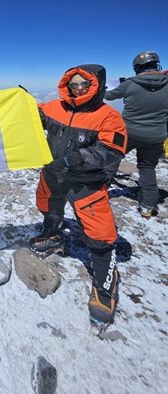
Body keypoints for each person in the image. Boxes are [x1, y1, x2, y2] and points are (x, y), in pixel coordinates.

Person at [29, 64, 128, 325]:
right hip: (53, 173)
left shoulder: (108, 116)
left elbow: (112, 149)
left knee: (99, 233)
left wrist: (75, 159)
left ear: (96, 86)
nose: (78, 88)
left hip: (87, 181)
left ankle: (105, 281)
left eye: (84, 84)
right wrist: (22, 102)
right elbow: (34, 116)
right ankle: (53, 234)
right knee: (48, 205)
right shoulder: (54, 107)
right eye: (73, 84)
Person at [105, 51, 168, 217]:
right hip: (155, 135)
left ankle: (99, 192)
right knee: (147, 168)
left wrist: (101, 88)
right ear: (157, 65)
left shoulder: (130, 83)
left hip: (128, 132)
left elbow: (110, 96)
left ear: (137, 68)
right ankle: (147, 206)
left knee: (112, 160)